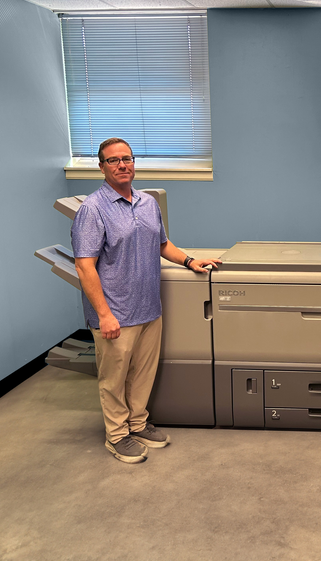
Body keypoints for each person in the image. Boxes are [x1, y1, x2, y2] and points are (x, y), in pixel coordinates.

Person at [71, 138, 222, 464]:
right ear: (101, 167)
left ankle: (137, 424)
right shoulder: (92, 209)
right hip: (115, 313)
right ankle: (117, 436)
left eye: (127, 158)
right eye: (113, 161)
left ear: (134, 163)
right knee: (114, 380)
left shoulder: (147, 202)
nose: (122, 165)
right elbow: (84, 266)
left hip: (148, 307)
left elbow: (162, 244)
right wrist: (104, 314)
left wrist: (189, 261)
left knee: (142, 374)